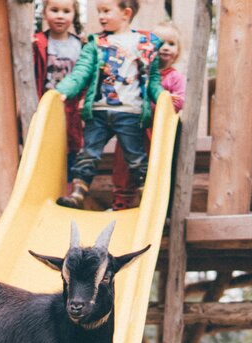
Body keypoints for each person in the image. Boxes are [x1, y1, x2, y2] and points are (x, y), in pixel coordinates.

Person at [55, 0, 164, 209]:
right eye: (99, 12)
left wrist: (163, 97)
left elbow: (154, 80)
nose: (101, 17)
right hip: (99, 112)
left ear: (126, 13)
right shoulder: (95, 44)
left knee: (135, 157)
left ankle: (147, 197)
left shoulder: (146, 44)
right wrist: (63, 91)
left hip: (130, 112)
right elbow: (80, 72)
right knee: (88, 152)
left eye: (106, 11)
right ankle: (77, 194)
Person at [110, 19, 186, 210]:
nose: (165, 48)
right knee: (124, 164)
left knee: (153, 167)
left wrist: (166, 100)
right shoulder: (139, 71)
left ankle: (153, 206)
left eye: (171, 44)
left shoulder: (174, 77)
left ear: (177, 50)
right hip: (133, 126)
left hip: (156, 133)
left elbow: (180, 101)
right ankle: (122, 201)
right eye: (159, 43)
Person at [33, 0, 84, 180]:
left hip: (72, 108)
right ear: (45, 12)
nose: (60, 16)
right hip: (46, 106)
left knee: (71, 147)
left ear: (74, 15)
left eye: (66, 11)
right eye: (54, 10)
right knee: (46, 146)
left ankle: (68, 188)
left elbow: (86, 76)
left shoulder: (80, 45)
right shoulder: (39, 42)